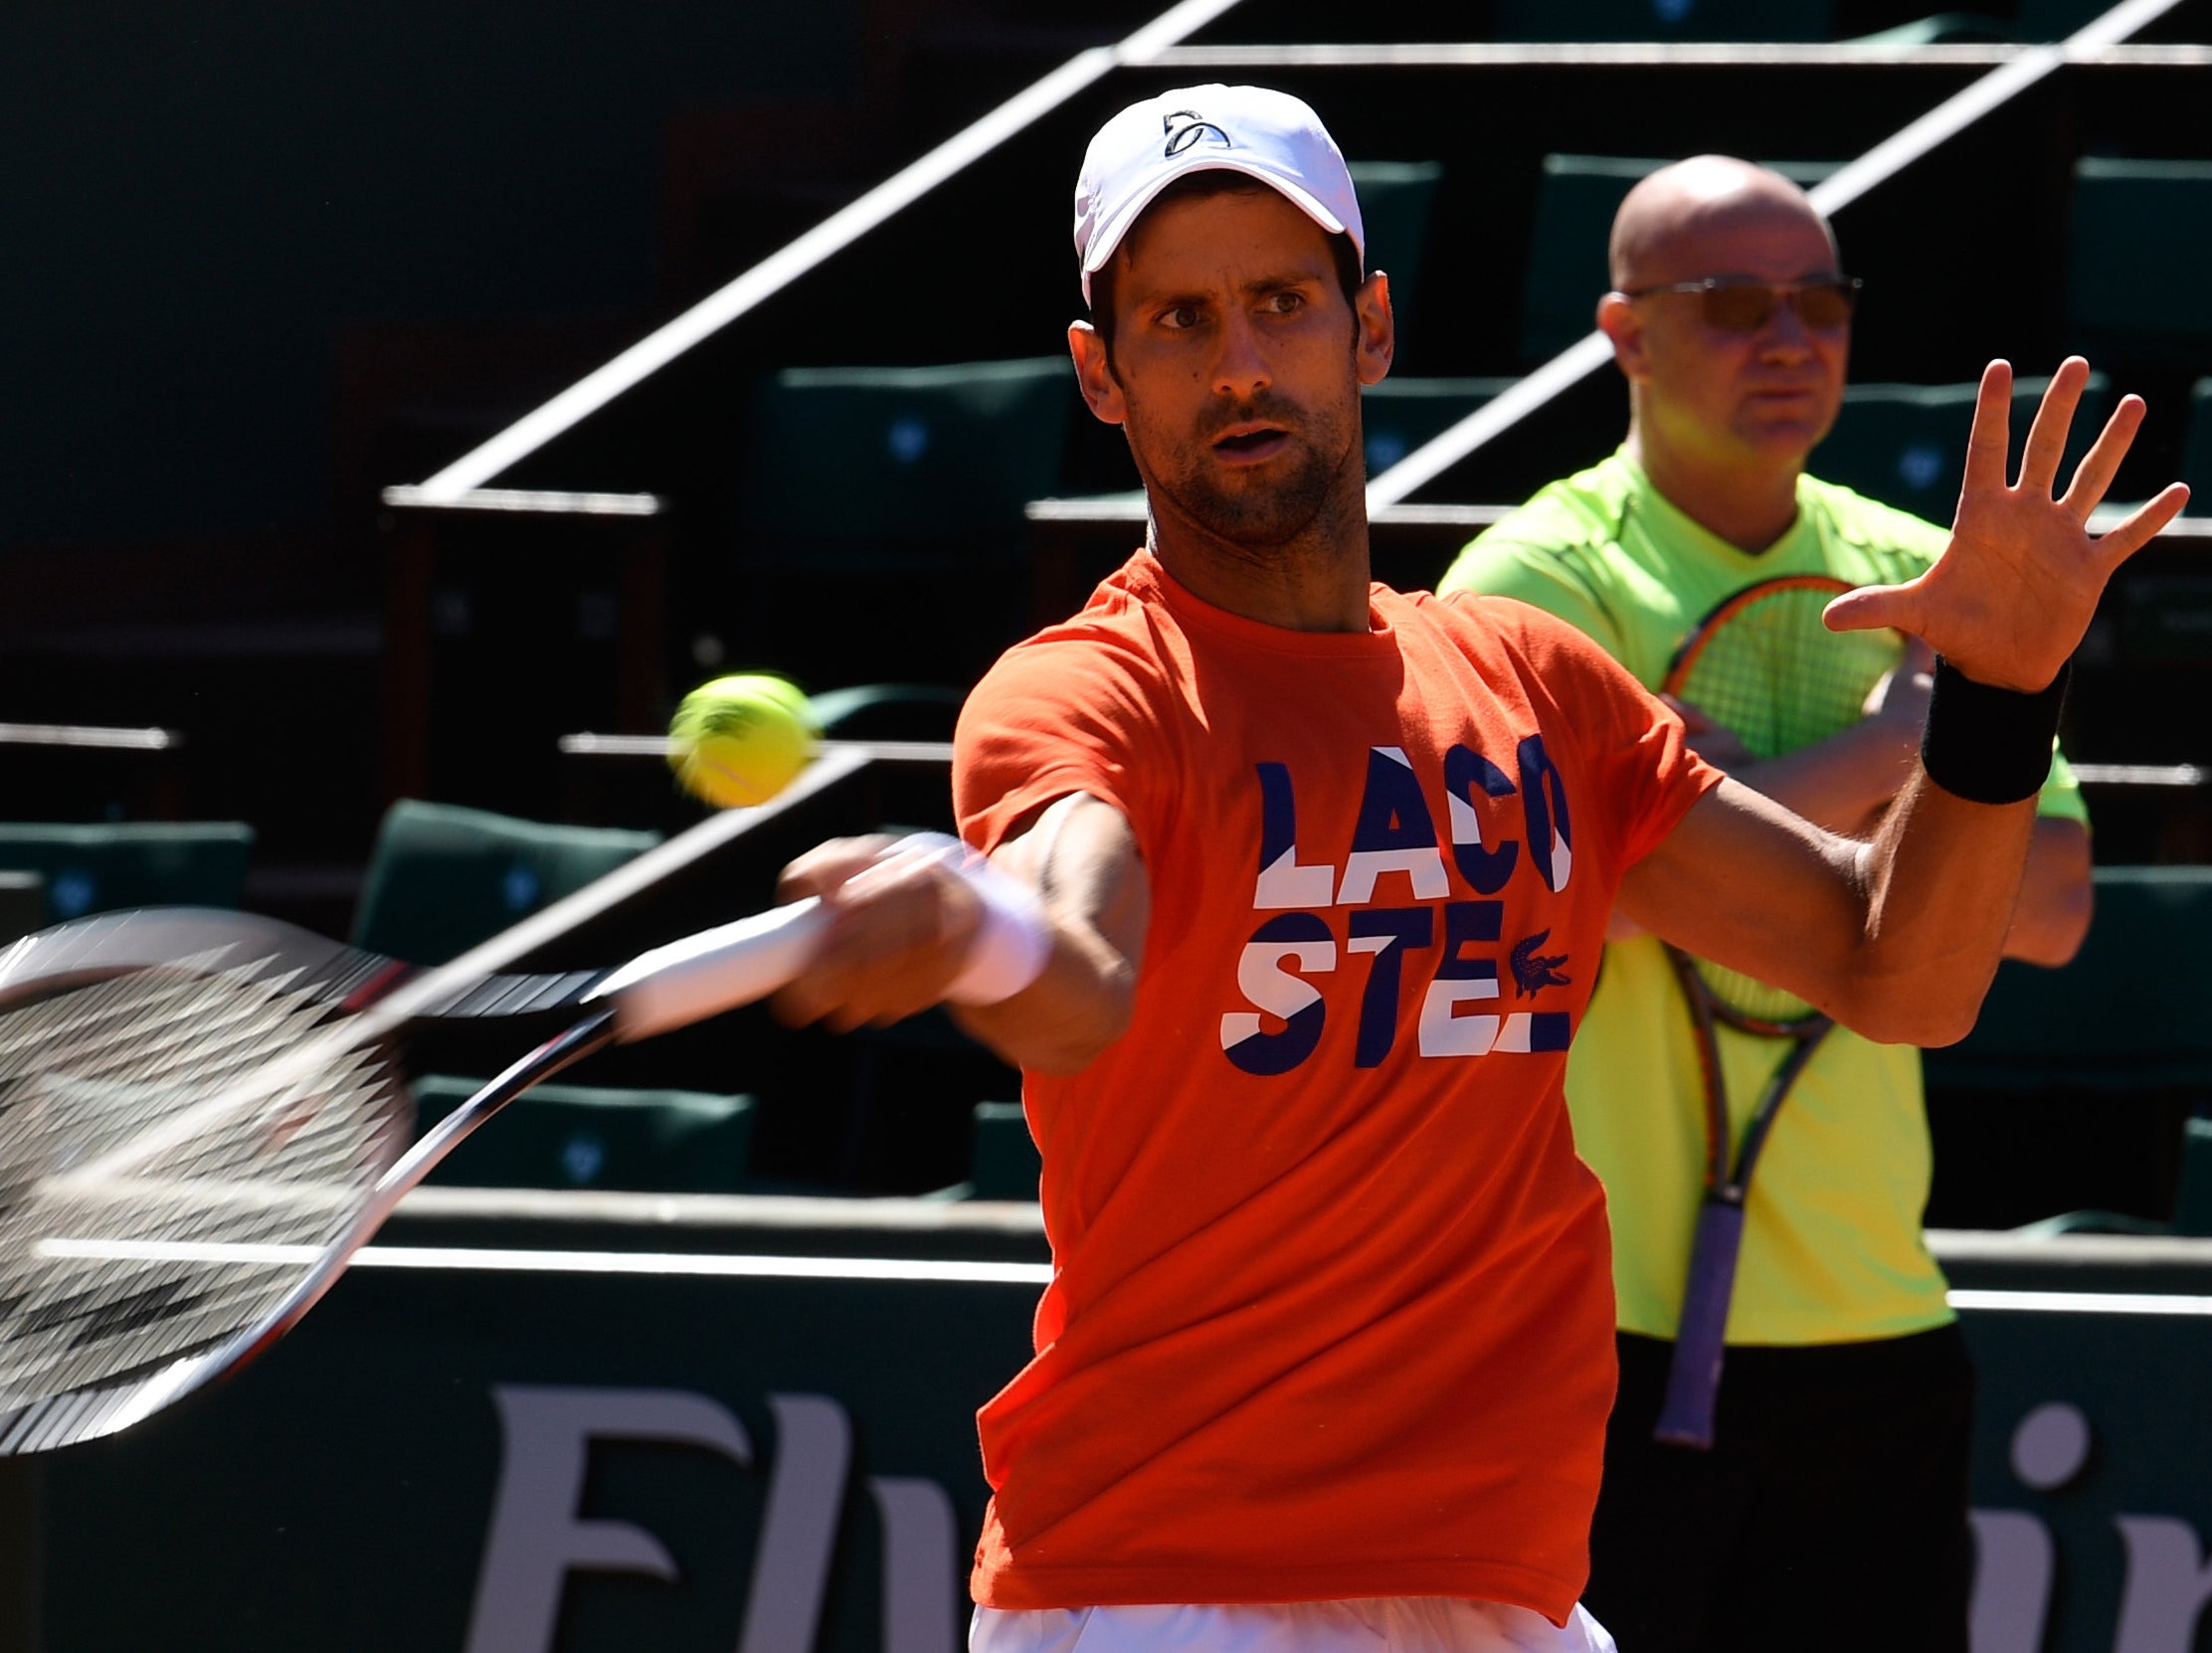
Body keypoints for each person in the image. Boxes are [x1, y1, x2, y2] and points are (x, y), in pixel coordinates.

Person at [766, 90, 2182, 1653]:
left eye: (1281, 302)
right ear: (1102, 373)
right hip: (1165, 1587)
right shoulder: (1082, 691)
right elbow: (1078, 961)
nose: (1238, 361)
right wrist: (971, 925)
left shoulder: (1540, 686)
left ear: (1369, 327)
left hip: (1505, 1585)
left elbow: (1897, 971)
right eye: (1178, 318)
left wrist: (1997, 707)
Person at [1437, 156, 2097, 1651]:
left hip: (1876, 1324)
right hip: (1582, 1333)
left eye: (1821, 300)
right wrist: (1887, 755)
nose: (1790, 338)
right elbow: (1568, 889)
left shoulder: (1921, 571)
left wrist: (1731, 795)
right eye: (1735, 303)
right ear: (1625, 332)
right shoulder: (1535, 580)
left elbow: (2051, 899)